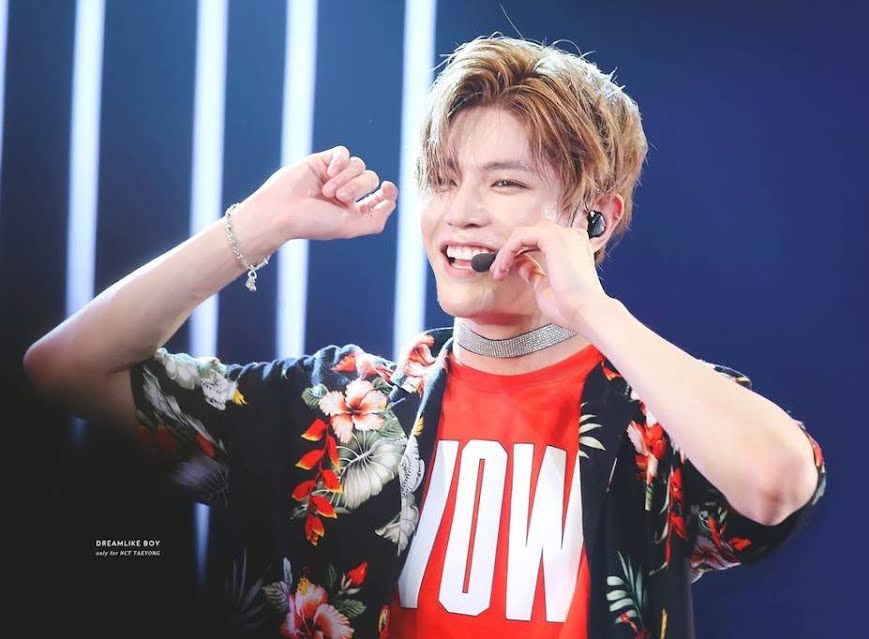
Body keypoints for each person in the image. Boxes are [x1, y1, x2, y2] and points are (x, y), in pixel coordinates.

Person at [24, 35, 826, 639]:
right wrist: (254, 228)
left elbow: (776, 483)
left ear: (596, 217)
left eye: (504, 182)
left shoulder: (657, 414)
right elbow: (66, 367)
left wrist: (594, 311)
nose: (460, 212)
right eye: (442, 180)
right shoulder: (343, 408)